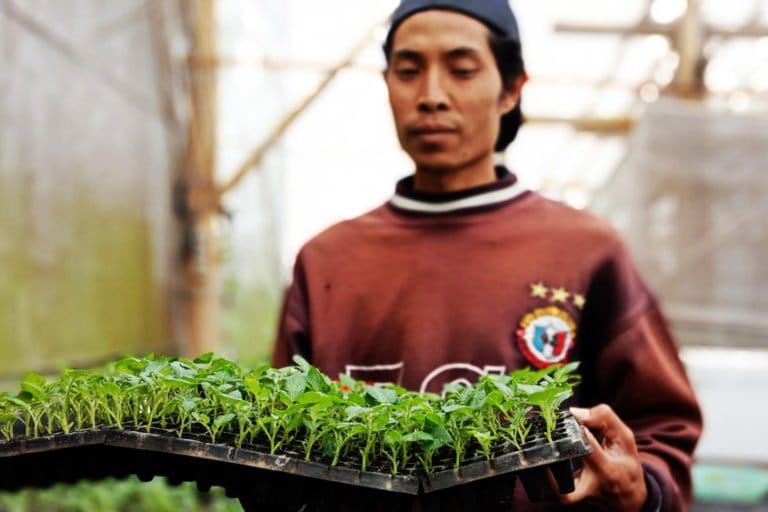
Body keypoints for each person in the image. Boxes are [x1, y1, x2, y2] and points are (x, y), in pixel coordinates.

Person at [272, 0, 702, 510]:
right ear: (387, 84)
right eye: (409, 71)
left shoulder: (586, 250)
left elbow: (663, 430)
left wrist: (642, 487)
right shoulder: (327, 261)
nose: (432, 96)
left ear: (511, 89)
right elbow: (279, 437)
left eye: (462, 69)